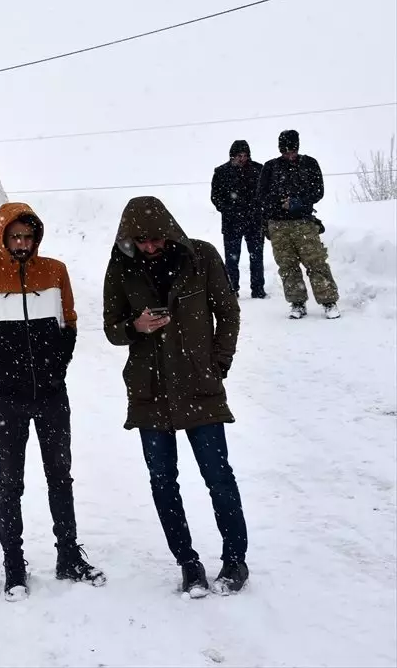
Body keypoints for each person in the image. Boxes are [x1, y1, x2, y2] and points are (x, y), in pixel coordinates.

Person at [0, 202, 105, 602]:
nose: (22, 243)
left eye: (28, 236)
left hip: (52, 396)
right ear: (3, 237)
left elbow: (69, 320)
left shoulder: (54, 271)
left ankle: (69, 556)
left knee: (61, 477)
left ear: (36, 237)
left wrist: (60, 357)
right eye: (15, 236)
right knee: (10, 483)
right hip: (7, 400)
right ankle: (14, 566)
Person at [102, 196, 249, 598]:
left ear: (168, 230)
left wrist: (219, 362)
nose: (149, 247)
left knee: (218, 477)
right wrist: (136, 325)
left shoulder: (200, 256)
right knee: (163, 481)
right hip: (149, 391)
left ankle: (236, 559)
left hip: (200, 386)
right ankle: (188, 563)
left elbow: (229, 312)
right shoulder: (121, 265)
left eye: (155, 238)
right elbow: (111, 328)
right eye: (140, 241)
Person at [257, 129, 340, 319]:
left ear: (297, 147)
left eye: (292, 151)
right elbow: (261, 195)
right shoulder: (270, 167)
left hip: (304, 223)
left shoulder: (309, 164)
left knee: (316, 261)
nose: (289, 155)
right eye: (285, 151)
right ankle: (297, 302)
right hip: (278, 225)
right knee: (287, 265)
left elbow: (318, 191)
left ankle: (329, 301)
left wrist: (297, 202)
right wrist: (280, 202)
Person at [210, 140, 266, 299]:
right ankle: (232, 289)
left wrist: (258, 210)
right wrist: (229, 210)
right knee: (232, 260)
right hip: (231, 223)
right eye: (239, 156)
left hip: (254, 222)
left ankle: (258, 289)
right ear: (232, 156)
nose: (242, 159)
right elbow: (216, 197)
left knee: (256, 257)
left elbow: (264, 194)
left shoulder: (258, 170)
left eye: (245, 155)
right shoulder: (221, 172)